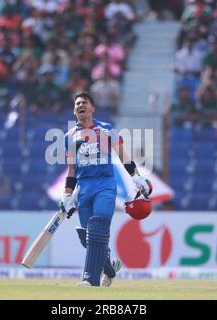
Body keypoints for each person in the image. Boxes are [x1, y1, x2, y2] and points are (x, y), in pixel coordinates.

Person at [60, 92, 152, 287]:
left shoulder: (107, 130)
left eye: (84, 102)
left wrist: (135, 176)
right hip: (84, 189)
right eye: (77, 104)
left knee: (98, 226)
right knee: (88, 239)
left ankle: (89, 280)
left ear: (93, 108)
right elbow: (71, 170)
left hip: (105, 185)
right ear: (74, 110)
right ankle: (109, 268)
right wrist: (67, 196)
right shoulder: (69, 137)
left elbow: (123, 156)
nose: (80, 106)